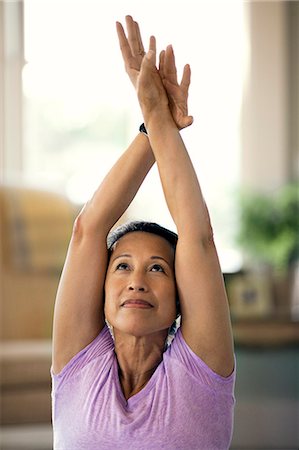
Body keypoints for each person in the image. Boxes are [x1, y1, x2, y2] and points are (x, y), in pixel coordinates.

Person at [51, 15, 236, 450]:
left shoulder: (201, 372)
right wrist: (154, 123)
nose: (137, 279)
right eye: (122, 266)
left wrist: (157, 114)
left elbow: (197, 235)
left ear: (179, 298)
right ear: (102, 287)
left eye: (157, 267)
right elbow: (87, 230)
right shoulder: (79, 365)